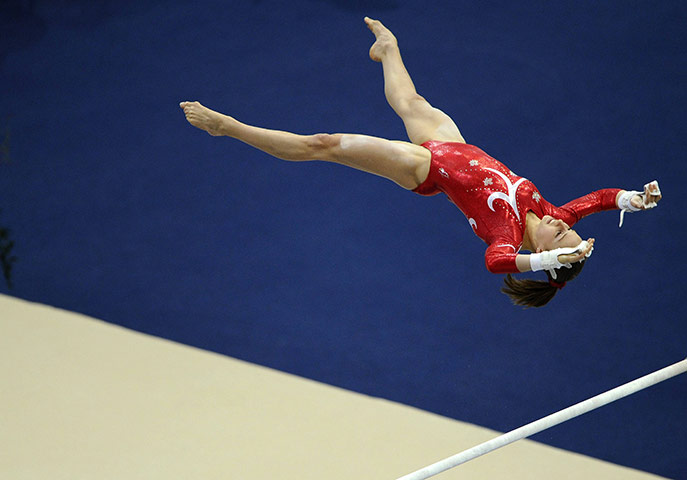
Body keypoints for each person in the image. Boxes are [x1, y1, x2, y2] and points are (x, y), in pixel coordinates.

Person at [180, 17, 662, 307]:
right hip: (455, 146)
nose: (562, 229)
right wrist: (633, 200)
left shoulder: (508, 238)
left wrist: (546, 259)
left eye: (560, 240)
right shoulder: (555, 216)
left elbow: (498, 263)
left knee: (323, 145)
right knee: (410, 100)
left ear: (546, 255)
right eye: (566, 232)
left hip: (427, 170)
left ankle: (229, 127)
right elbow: (598, 200)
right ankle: (386, 50)